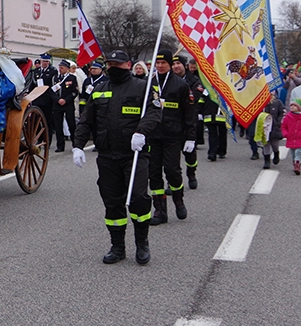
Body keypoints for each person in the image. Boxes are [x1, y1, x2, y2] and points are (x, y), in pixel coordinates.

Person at [72, 50, 162, 265]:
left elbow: (155, 112)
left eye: (118, 64)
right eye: (110, 64)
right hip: (107, 155)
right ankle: (117, 246)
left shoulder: (144, 87)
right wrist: (77, 146)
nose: (113, 67)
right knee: (112, 203)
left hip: (135, 154)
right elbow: (87, 120)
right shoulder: (100, 89)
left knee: (139, 198)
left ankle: (142, 243)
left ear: (128, 65)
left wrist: (142, 131)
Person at [147, 49, 195, 225]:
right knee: (153, 173)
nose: (160, 66)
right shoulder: (149, 83)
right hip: (153, 135)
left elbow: (189, 113)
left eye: (163, 63)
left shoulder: (180, 85)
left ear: (169, 64)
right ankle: (160, 210)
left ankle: (178, 199)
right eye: (157, 63)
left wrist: (190, 137)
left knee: (172, 170)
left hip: (173, 135)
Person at [172, 55, 202, 189]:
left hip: (188, 122)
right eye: (173, 64)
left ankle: (191, 174)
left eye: (178, 63)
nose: (175, 66)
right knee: (171, 156)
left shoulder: (194, 80)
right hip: (171, 122)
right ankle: (173, 180)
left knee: (189, 154)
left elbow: (193, 97)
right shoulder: (167, 80)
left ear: (184, 65)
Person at [252, 91, 285, 169]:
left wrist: (278, 122)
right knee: (266, 144)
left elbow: (282, 113)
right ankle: (266, 161)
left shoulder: (277, 102)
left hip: (274, 127)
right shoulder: (260, 103)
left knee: (275, 145)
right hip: (264, 127)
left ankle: (276, 153)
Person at [52, 59, 79, 152]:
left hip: (68, 105)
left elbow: (75, 92)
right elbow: (52, 92)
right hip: (57, 105)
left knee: (71, 125)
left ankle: (75, 144)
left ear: (67, 69)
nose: (60, 69)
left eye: (62, 68)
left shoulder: (72, 78)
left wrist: (66, 100)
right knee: (58, 126)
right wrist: (58, 99)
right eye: (59, 67)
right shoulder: (56, 78)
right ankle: (60, 145)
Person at [281, 97, 301, 175]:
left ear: (299, 108)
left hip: (300, 138)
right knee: (293, 154)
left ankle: (297, 164)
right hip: (291, 138)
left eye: (295, 106)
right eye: (291, 105)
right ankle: (295, 163)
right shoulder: (288, 117)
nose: (292, 107)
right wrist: (285, 133)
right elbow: (283, 126)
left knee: (298, 152)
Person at [27, 53, 57, 128]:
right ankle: (39, 138)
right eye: (43, 61)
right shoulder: (36, 71)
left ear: (49, 62)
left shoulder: (53, 71)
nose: (45, 63)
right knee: (35, 120)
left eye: (46, 61)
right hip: (37, 98)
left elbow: (52, 85)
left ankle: (47, 138)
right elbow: (33, 84)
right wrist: (28, 93)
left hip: (46, 99)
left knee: (47, 120)